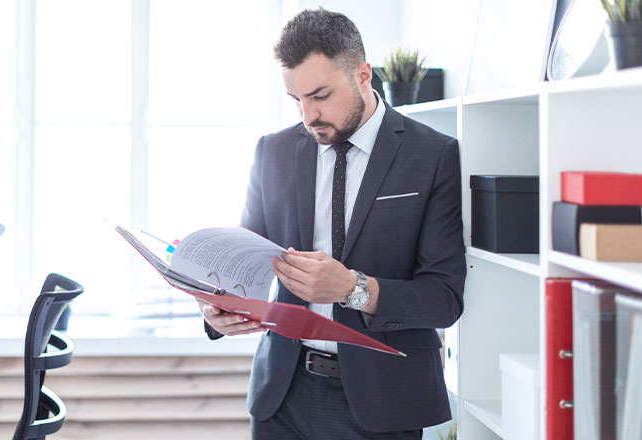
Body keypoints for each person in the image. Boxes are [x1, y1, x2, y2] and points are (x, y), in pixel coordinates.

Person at [197, 8, 466, 440]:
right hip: (281, 397)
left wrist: (350, 288)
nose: (307, 116)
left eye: (320, 95)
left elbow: (444, 298)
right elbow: (239, 265)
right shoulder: (273, 152)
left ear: (363, 74)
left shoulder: (431, 156)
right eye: (296, 100)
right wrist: (217, 310)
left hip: (385, 402)